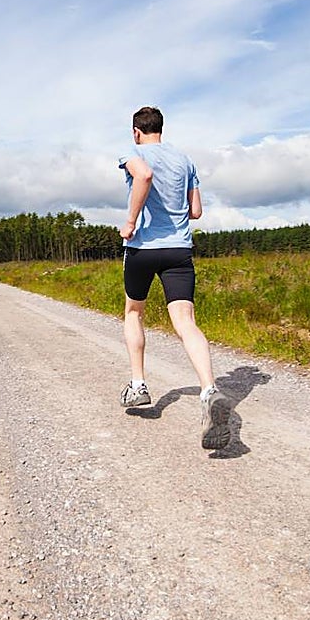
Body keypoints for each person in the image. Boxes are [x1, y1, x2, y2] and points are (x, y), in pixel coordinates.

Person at [117, 105, 230, 450]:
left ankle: (138, 385)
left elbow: (144, 176)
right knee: (185, 322)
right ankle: (209, 389)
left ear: (137, 131)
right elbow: (195, 211)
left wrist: (131, 222)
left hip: (142, 249)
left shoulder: (132, 152)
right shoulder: (185, 161)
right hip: (179, 250)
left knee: (134, 312)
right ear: (161, 129)